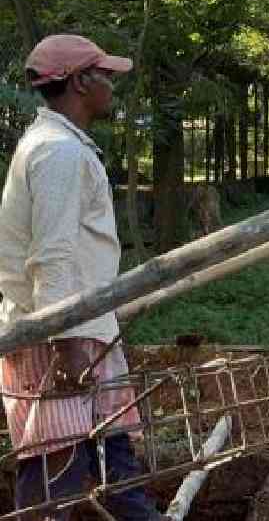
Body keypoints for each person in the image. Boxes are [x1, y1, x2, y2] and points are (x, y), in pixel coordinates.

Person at [0, 35, 166, 519]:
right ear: (79, 82)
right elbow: (52, 257)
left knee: (117, 466)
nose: (112, 86)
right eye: (105, 75)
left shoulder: (62, 146)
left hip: (85, 331)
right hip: (58, 339)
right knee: (55, 476)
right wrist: (66, 341)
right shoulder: (58, 153)